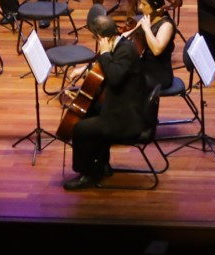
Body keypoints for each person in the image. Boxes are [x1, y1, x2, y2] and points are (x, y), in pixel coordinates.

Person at [62, 15, 151, 190]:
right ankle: (101, 164)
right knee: (90, 112)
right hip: (121, 106)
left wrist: (104, 54)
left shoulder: (125, 51)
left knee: (80, 128)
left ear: (101, 38)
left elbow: (115, 77)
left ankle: (87, 175)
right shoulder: (119, 45)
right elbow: (106, 69)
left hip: (126, 118)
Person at [133, 0, 177, 124]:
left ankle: (141, 121)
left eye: (144, 4)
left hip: (158, 76)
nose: (140, 7)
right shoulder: (149, 18)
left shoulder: (166, 26)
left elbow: (157, 49)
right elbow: (132, 34)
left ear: (156, 6)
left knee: (124, 82)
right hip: (145, 68)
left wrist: (146, 29)